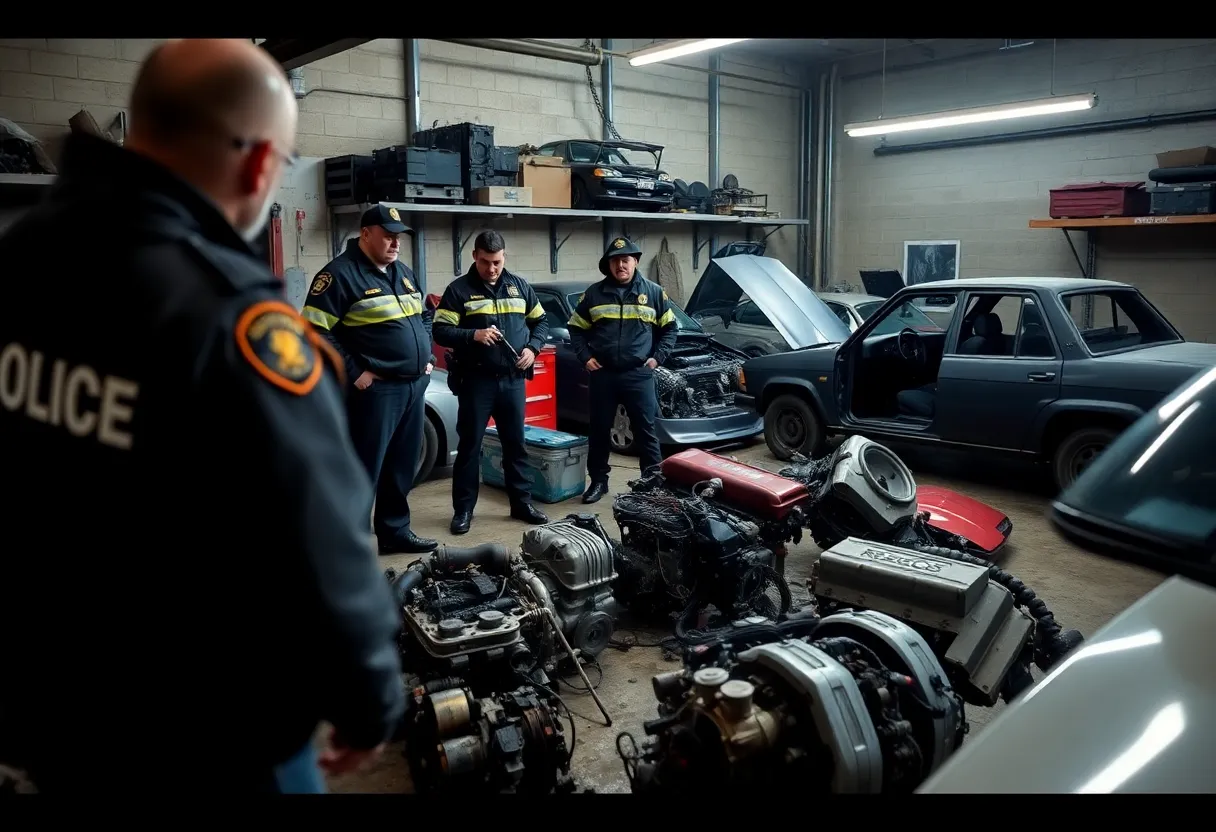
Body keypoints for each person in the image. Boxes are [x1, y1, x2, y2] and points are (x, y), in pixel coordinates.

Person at [0, 39, 404, 794]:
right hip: (205, 729)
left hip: (44, 703)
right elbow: (321, 538)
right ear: (258, 166)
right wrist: (369, 695)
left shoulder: (22, 256)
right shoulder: (232, 321)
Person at [301, 206, 438, 555]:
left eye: (398, 237)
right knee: (363, 471)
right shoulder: (339, 275)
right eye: (388, 235)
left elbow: (423, 315)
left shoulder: (401, 272)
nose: (395, 243)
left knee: (400, 466)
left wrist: (425, 357)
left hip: (411, 387)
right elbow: (313, 331)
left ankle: (394, 533)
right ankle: (353, 545)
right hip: (375, 392)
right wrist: (355, 372)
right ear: (365, 234)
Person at [432, 230, 550, 535]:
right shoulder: (458, 291)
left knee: (516, 445)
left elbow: (541, 322)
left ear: (504, 256)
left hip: (512, 381)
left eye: (497, 262)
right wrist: (474, 335)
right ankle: (464, 511)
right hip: (476, 382)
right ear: (474, 256)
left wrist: (532, 348)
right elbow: (441, 331)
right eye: (485, 262)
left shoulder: (520, 286)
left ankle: (521, 504)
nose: (492, 268)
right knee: (470, 448)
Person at [567, 236, 678, 504]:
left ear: (635, 262)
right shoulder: (594, 294)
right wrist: (585, 357)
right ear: (608, 264)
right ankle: (599, 482)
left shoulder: (653, 292)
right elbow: (576, 328)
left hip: (638, 375)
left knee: (646, 431)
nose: (620, 265)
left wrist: (657, 358)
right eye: (615, 261)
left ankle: (651, 485)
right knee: (599, 430)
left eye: (625, 260)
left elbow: (670, 328)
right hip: (604, 374)